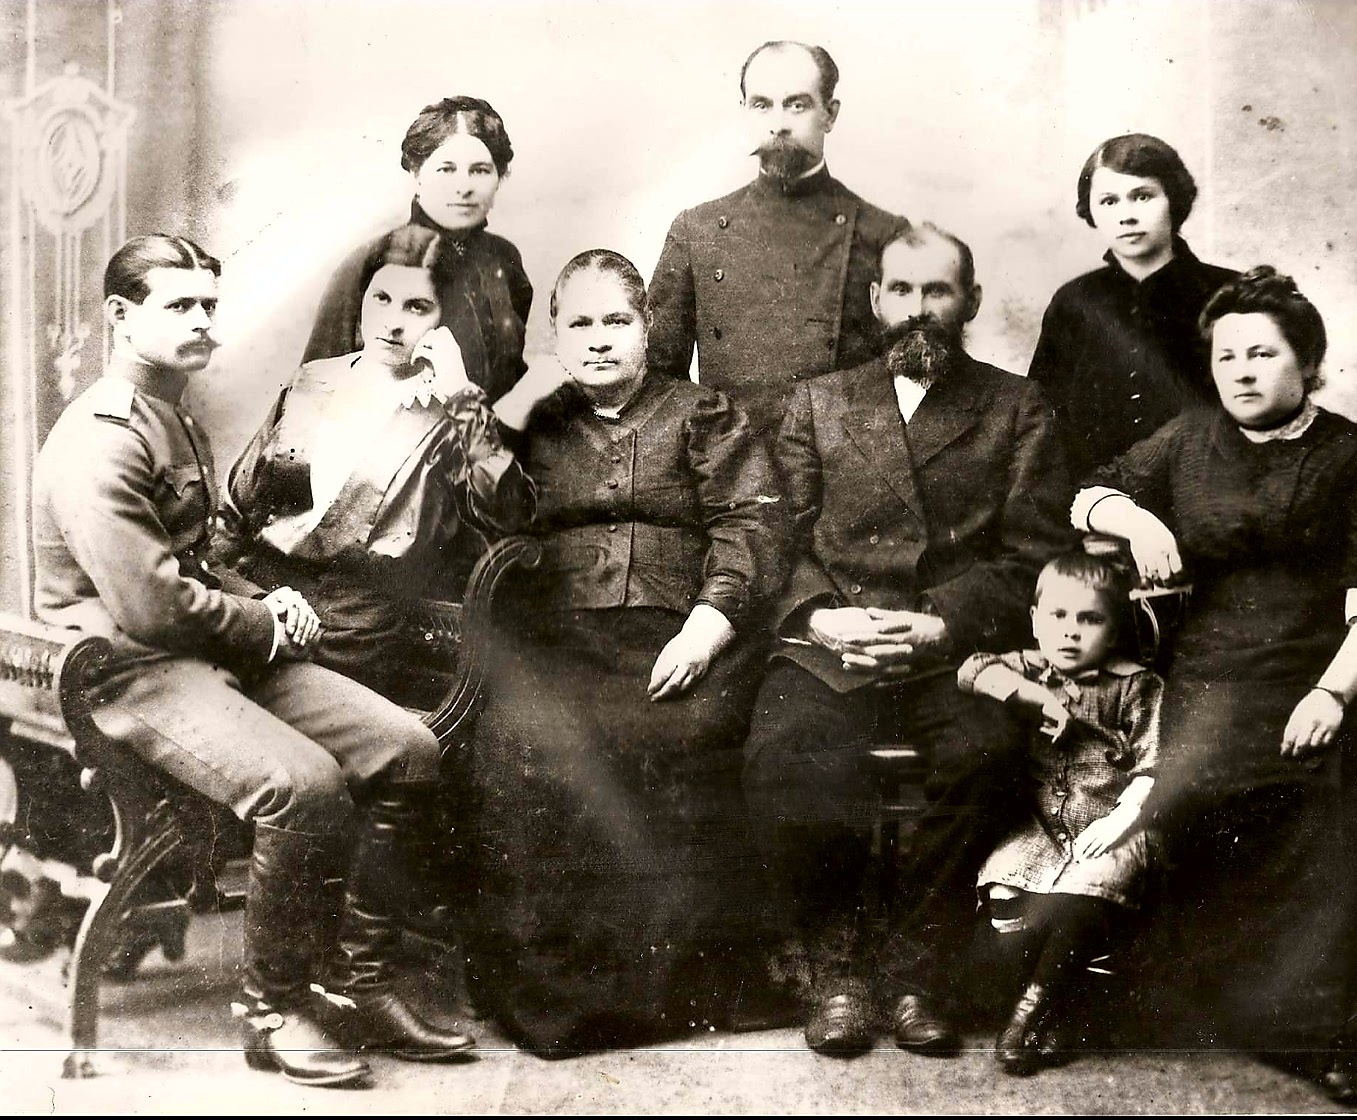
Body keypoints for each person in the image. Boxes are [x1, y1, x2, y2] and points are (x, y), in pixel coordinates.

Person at [30, 235, 475, 1088]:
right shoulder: (102, 437)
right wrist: (262, 620)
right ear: (120, 316)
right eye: (180, 306)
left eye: (210, 304)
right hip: (133, 671)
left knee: (407, 748)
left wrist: (264, 598)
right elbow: (150, 605)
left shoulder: (172, 413)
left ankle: (360, 984)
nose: (203, 321)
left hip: (203, 651)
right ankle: (272, 1009)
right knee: (301, 785)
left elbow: (197, 557)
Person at [1077, 266, 1357, 1105]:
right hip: (1219, 665)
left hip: (1343, 661)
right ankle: (1248, 1011)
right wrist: (1134, 517)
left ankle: (1339, 1025)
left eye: (1263, 354)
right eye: (1227, 356)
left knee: (1338, 797)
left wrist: (1332, 694)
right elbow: (1089, 493)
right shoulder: (1188, 439)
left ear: (1306, 361)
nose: (1241, 371)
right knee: (1192, 796)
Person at [743, 222, 1076, 1057]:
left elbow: (1035, 554)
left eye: (937, 290)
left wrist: (940, 622)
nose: (918, 308)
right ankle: (838, 972)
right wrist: (820, 615)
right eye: (901, 290)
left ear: (970, 300)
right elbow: (774, 539)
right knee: (785, 754)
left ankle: (917, 974)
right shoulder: (818, 402)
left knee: (986, 754)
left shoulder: (1017, 407)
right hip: (833, 642)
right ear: (874, 299)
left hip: (956, 654)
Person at [461, 249, 789, 1057]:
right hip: (559, 641)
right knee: (521, 750)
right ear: (555, 337)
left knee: (674, 740)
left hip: (681, 636)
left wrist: (706, 627)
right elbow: (484, 515)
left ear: (648, 329)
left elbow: (751, 523)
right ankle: (558, 1003)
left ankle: (678, 993)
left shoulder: (704, 413)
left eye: (618, 320)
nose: (600, 339)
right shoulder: (535, 422)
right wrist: (512, 410)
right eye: (580, 323)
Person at [218, 223, 536, 697]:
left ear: (445, 319)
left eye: (417, 307)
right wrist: (256, 603)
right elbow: (232, 517)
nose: (392, 322)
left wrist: (461, 397)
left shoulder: (451, 417)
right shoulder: (310, 382)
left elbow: (510, 512)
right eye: (381, 299)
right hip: (255, 617)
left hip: (344, 645)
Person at [955, 552, 1164, 1077]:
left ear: (1114, 629)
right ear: (1035, 620)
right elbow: (971, 668)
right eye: (1058, 616)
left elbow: (1152, 766)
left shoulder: (1136, 685)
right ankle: (1061, 1006)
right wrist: (1029, 694)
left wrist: (1120, 821)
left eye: (1090, 619)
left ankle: (1029, 1014)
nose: (1071, 632)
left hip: (1110, 822)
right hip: (1042, 826)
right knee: (1005, 890)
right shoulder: (1030, 667)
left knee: (1081, 899)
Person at [647, 40, 907, 440]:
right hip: (730, 462)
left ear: (830, 114)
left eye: (797, 105)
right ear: (744, 112)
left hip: (838, 465)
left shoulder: (883, 234)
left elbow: (907, 386)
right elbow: (660, 383)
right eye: (762, 105)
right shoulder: (696, 231)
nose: (779, 123)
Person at [1028, 134, 1237, 480]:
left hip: (1209, 485)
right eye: (1109, 201)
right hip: (1094, 494)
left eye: (1142, 196)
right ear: (1091, 211)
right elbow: (1042, 415)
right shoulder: (1074, 302)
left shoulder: (1228, 293)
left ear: (1174, 199)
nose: (1126, 216)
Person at [304, 96, 531, 400]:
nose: (464, 187)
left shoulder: (504, 260)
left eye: (479, 170)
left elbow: (507, 380)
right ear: (416, 173)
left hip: (476, 426)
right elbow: (316, 392)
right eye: (446, 169)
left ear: (500, 177)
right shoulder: (373, 262)